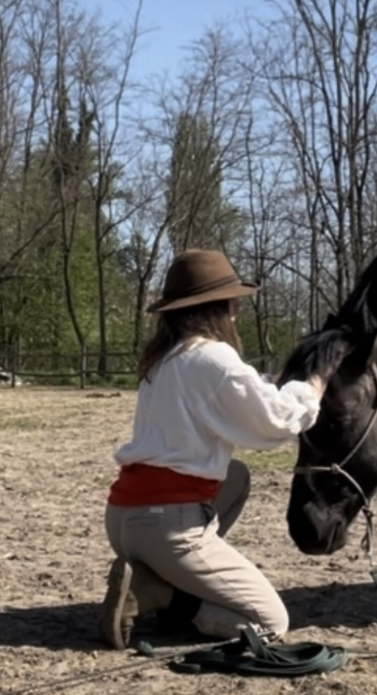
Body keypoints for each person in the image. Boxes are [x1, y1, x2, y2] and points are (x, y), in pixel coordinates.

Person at [98, 248, 325, 650]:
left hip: (124, 518)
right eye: (232, 300)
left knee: (234, 476)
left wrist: (267, 384)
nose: (237, 308)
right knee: (269, 622)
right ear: (216, 307)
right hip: (167, 524)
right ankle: (160, 594)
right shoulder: (214, 358)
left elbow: (235, 396)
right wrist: (311, 389)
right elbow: (275, 421)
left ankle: (162, 576)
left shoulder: (166, 358)